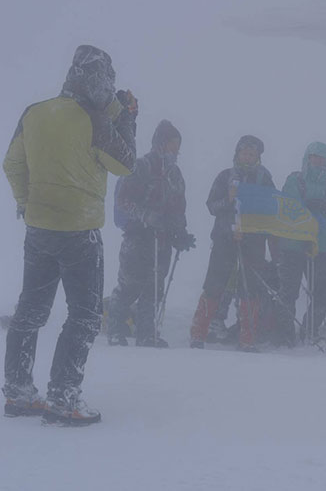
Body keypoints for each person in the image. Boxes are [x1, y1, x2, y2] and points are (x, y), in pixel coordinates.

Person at [3, 45, 137, 425]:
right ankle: (63, 397)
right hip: (80, 233)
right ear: (100, 79)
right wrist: (126, 118)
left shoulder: (35, 112)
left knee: (30, 311)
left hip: (39, 228)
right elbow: (125, 163)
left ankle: (17, 391)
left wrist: (26, 201)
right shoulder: (96, 122)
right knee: (84, 316)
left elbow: (11, 162)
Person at [107, 120, 196, 348]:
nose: (176, 151)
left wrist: (181, 233)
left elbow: (179, 207)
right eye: (172, 145)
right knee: (130, 283)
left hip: (162, 239)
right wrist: (147, 216)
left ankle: (146, 333)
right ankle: (115, 328)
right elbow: (123, 200)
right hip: (138, 236)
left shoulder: (175, 174)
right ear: (160, 144)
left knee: (154, 286)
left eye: (178, 146)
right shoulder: (141, 166)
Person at [189, 135, 274, 351]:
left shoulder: (264, 178)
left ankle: (248, 338)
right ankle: (198, 334)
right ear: (237, 153)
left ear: (258, 157)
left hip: (253, 239)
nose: (248, 156)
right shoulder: (224, 176)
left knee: (251, 288)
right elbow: (211, 206)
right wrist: (228, 200)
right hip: (225, 238)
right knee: (214, 284)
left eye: (252, 153)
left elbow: (273, 206)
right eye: (245, 152)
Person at [277, 142, 326, 344]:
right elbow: (288, 208)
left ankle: (310, 329)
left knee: (322, 290)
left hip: (318, 246)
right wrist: (310, 208)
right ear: (308, 158)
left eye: (324, 159)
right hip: (292, 245)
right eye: (316, 157)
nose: (320, 162)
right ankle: (285, 334)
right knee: (288, 291)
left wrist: (322, 209)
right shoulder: (295, 180)